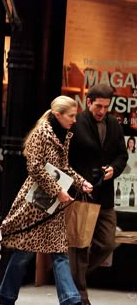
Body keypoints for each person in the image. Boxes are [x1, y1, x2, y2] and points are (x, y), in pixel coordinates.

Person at [0, 96, 93, 305]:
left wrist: (80, 183)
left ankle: (71, 300)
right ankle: (5, 297)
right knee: (23, 254)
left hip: (53, 205)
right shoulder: (42, 133)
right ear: (58, 115)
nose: (74, 120)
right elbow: (35, 167)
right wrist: (58, 191)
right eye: (71, 115)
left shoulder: (64, 134)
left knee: (59, 253)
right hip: (36, 203)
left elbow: (63, 168)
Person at [68, 84, 128, 305]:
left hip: (105, 195)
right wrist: (78, 181)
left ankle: (73, 275)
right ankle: (80, 296)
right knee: (80, 247)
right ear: (88, 102)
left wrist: (114, 168)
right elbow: (67, 159)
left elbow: (122, 155)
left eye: (106, 106)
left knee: (107, 243)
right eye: (98, 106)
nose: (102, 110)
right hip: (82, 193)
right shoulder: (77, 123)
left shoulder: (114, 125)